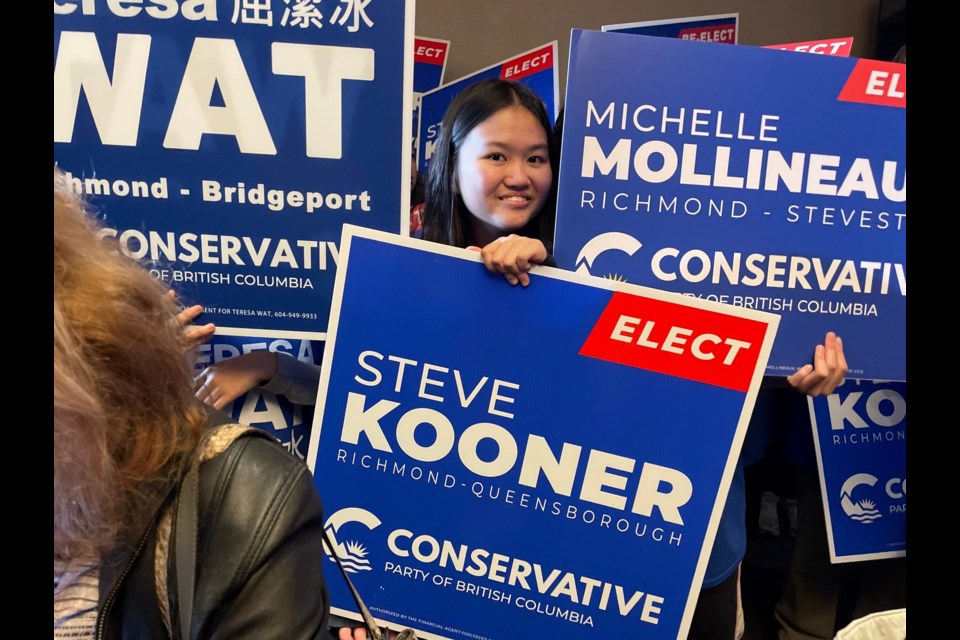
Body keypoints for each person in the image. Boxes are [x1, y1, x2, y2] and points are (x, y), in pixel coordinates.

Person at [53, 167, 333, 639]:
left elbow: (350, 387)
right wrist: (140, 364)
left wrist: (266, 365)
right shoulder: (121, 304)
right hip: (171, 484)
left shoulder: (312, 280)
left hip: (270, 504)